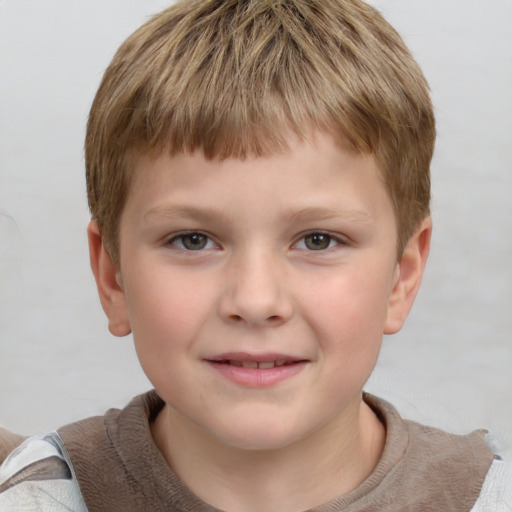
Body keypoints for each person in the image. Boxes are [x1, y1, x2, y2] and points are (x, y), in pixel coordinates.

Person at [0, 0, 510, 510]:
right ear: (112, 277)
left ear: (402, 275)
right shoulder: (35, 497)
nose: (256, 299)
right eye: (193, 240)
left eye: (318, 240)